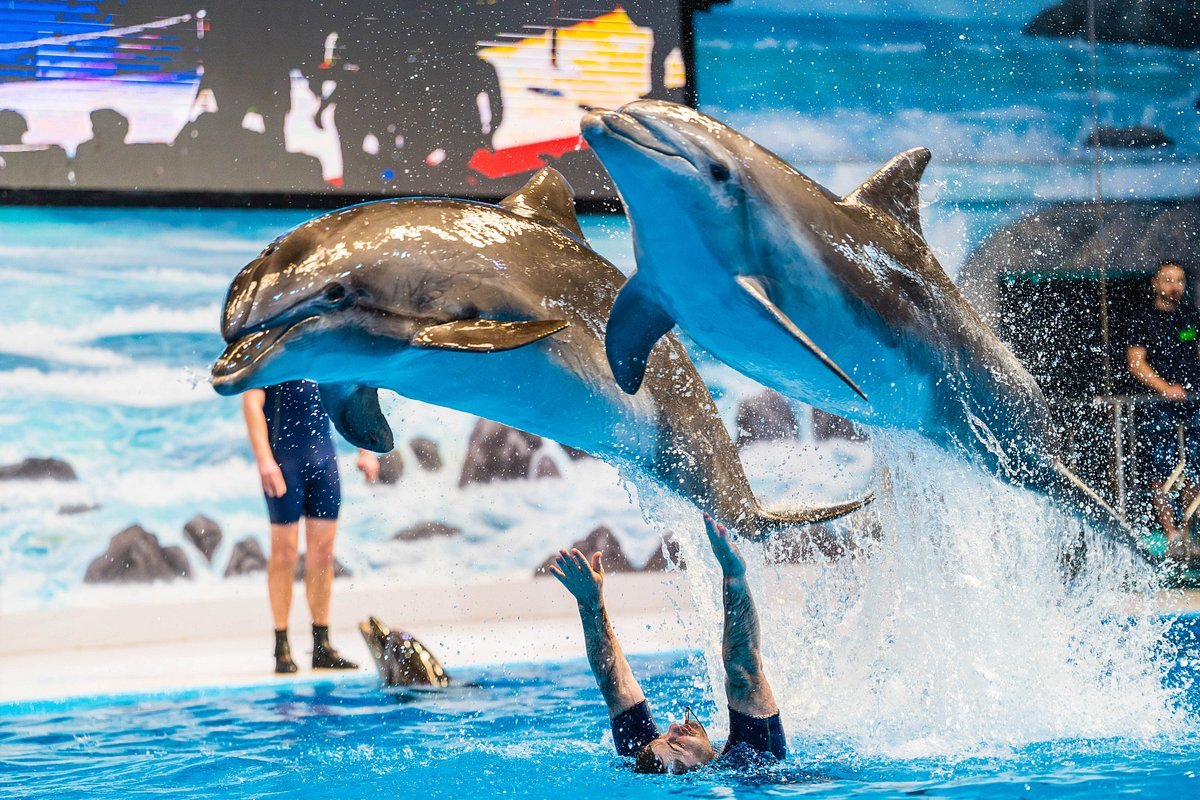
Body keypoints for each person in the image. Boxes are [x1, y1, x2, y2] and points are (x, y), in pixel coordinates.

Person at [550, 513, 785, 774]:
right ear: (688, 774)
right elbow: (744, 670)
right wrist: (734, 577)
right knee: (741, 677)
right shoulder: (754, 763)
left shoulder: (646, 754)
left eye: (664, 738)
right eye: (676, 747)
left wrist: (590, 603)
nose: (672, 729)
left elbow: (614, 684)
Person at [243, 380, 381, 673]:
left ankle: (322, 645)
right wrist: (264, 460)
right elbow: (252, 402)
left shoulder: (324, 352)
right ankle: (281, 646)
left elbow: (352, 393)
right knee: (285, 554)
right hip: (283, 463)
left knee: (323, 554)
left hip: (323, 462)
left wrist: (365, 449)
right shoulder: (276, 349)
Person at [1126, 260, 1200, 562]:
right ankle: (1171, 534)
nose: (1175, 286)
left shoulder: (1191, 317)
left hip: (1193, 402)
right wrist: (1164, 388)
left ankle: (1188, 531)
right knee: (1162, 468)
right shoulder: (1142, 320)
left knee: (1195, 467)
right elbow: (1136, 363)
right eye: (1169, 280)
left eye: (1180, 281)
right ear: (1156, 284)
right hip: (1158, 405)